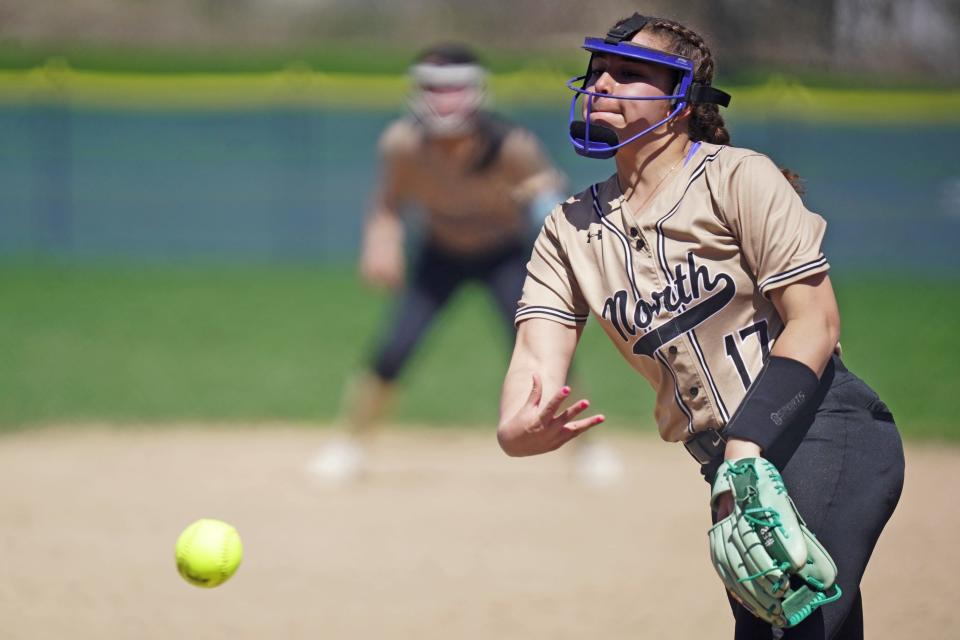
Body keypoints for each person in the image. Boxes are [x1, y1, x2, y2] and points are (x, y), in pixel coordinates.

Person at [496, 13, 904, 639]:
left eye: (629, 73)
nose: (602, 82)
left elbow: (815, 321)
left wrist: (745, 447)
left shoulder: (736, 177)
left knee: (783, 631)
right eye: (598, 70)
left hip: (824, 432)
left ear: (681, 100)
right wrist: (516, 428)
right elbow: (535, 353)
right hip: (728, 467)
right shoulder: (569, 229)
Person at [309, 42, 622, 486]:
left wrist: (559, 229)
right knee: (394, 349)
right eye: (433, 88)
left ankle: (589, 451)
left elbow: (547, 198)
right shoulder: (402, 144)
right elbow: (387, 202)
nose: (444, 99)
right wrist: (381, 243)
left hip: (503, 256)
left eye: (455, 88)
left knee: (547, 354)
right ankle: (349, 445)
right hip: (440, 254)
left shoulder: (510, 144)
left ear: (476, 92)